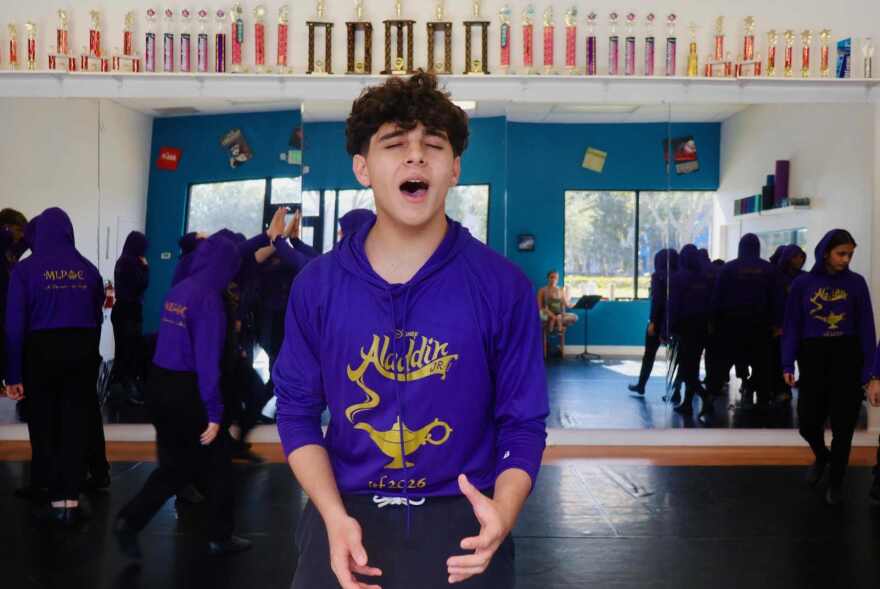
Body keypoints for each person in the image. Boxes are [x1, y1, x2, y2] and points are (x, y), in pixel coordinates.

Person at [274, 72, 548, 589]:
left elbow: (523, 422)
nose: (416, 156)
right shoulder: (317, 286)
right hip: (346, 513)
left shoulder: (503, 286)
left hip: (465, 515)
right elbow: (296, 412)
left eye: (434, 145)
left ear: (454, 168)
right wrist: (331, 514)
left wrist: (504, 511)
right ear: (362, 168)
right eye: (395, 144)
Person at [5, 208, 104, 525]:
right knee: (74, 425)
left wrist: (13, 373)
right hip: (82, 351)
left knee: (43, 424)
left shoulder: (25, 270)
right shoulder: (88, 270)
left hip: (41, 352)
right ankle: (69, 501)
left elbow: (14, 326)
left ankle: (45, 492)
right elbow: (97, 318)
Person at [783, 229, 875, 506]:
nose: (846, 259)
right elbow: (792, 324)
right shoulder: (802, 284)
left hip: (847, 356)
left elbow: (867, 327)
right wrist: (787, 362)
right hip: (813, 357)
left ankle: (836, 481)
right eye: (841, 253)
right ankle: (823, 456)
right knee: (807, 423)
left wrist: (871, 372)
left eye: (850, 254)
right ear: (825, 253)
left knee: (844, 426)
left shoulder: (857, 283)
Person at [708, 234, 779, 410]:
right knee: (762, 364)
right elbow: (777, 299)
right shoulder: (769, 269)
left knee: (723, 363)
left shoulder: (728, 268)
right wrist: (778, 323)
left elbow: (717, 298)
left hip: (731, 324)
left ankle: (710, 400)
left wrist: (713, 322)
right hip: (761, 325)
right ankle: (763, 401)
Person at [668, 245, 714, 417]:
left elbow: (674, 305)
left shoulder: (678, 278)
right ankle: (687, 403)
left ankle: (705, 396)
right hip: (702, 327)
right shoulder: (705, 277)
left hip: (685, 328)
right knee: (692, 367)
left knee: (687, 369)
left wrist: (668, 328)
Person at [629, 248, 677, 396]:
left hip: (659, 321)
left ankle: (641, 385)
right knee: (677, 359)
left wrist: (653, 322)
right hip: (675, 321)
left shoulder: (658, 277)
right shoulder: (679, 275)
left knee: (649, 355)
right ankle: (676, 393)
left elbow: (657, 302)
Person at [112, 231, 150, 405]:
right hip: (129, 311)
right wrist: (145, 268)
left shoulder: (123, 260)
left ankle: (118, 387)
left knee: (124, 350)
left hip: (123, 310)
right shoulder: (130, 262)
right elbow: (141, 285)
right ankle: (127, 389)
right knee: (129, 351)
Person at [537, 270, 578, 357]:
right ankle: (555, 326)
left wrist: (576, 304)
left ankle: (555, 325)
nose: (553, 279)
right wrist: (551, 314)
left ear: (558, 279)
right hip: (546, 313)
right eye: (552, 277)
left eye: (556, 278)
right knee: (546, 316)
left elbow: (567, 304)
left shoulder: (560, 290)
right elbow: (539, 307)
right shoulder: (542, 290)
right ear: (548, 278)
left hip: (559, 314)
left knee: (574, 317)